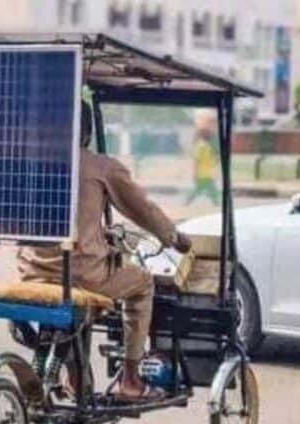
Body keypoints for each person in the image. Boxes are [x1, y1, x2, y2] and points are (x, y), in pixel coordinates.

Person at [18, 101, 192, 401]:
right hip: (81, 275)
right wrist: (174, 237)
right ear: (86, 131)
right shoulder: (100, 167)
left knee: (80, 296)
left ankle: (75, 378)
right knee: (142, 283)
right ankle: (131, 380)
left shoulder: (30, 161)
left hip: (32, 270)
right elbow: (144, 211)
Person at [185, 125, 221, 206]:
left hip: (206, 173)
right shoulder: (201, 146)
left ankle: (187, 201)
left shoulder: (205, 145)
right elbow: (196, 159)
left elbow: (207, 158)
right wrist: (194, 173)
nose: (211, 136)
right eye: (209, 134)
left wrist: (215, 161)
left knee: (205, 189)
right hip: (202, 173)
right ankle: (216, 203)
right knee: (206, 189)